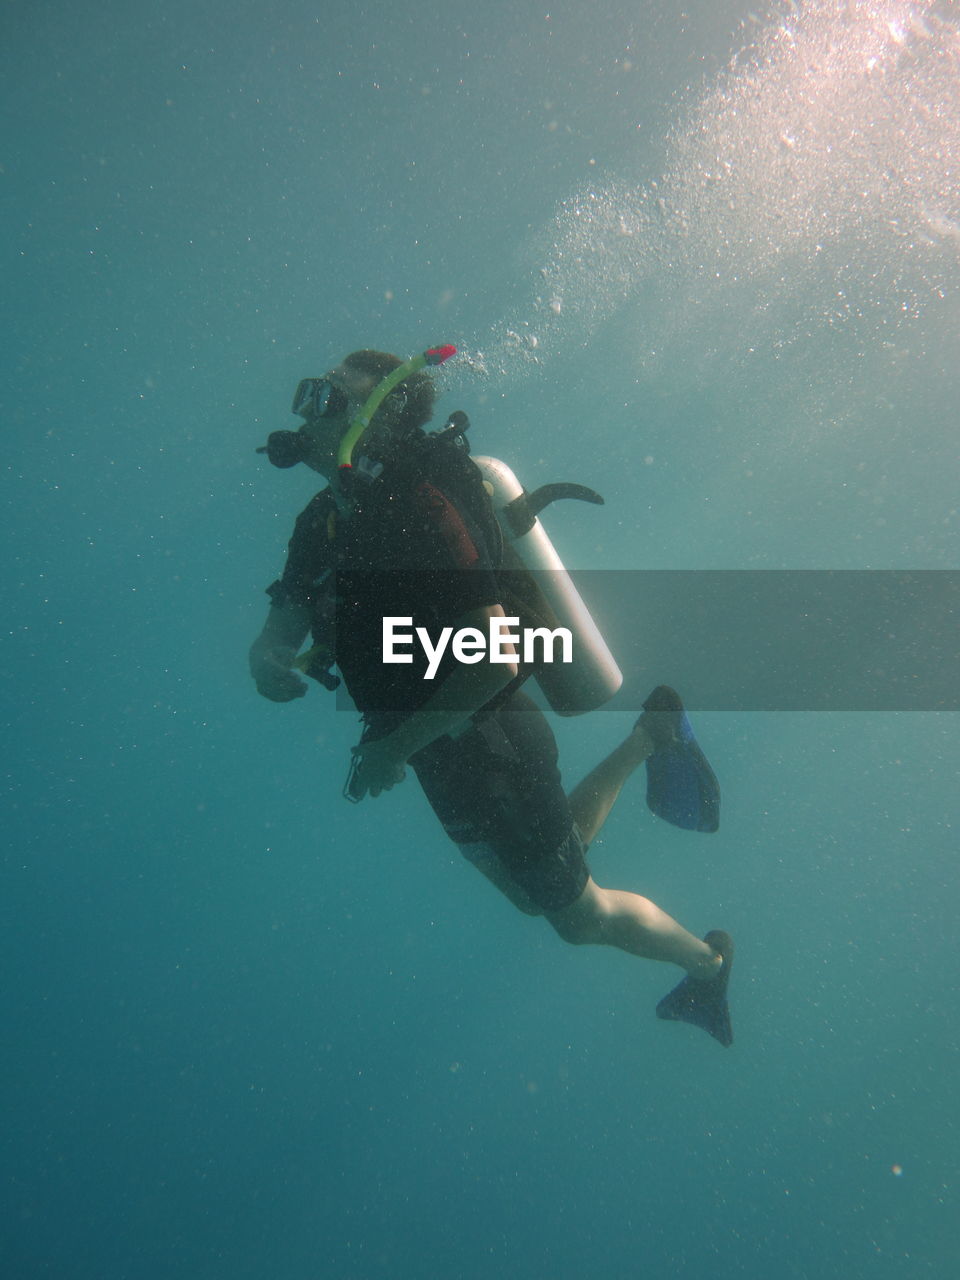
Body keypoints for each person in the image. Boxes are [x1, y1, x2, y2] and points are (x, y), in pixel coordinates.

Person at [250, 347, 734, 1046]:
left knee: (577, 917)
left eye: (328, 399)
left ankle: (710, 964)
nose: (306, 411)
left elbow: (493, 658)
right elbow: (286, 611)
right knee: (526, 890)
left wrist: (391, 751)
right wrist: (265, 656)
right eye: (309, 394)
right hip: (425, 752)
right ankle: (651, 738)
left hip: (490, 740)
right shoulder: (324, 518)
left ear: (377, 420)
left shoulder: (426, 498)